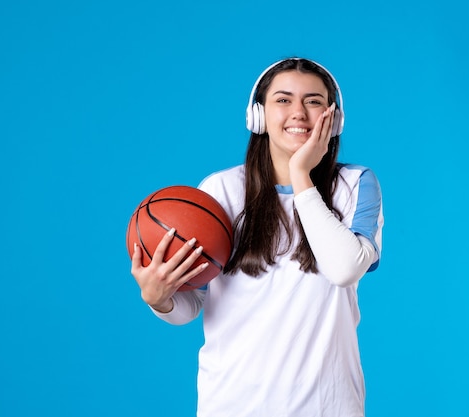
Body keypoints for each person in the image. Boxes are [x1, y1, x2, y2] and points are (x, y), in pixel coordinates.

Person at [130, 57, 383, 417]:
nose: (299, 112)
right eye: (283, 100)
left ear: (333, 118)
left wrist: (301, 174)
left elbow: (344, 269)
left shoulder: (355, 185)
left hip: (328, 407)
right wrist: (159, 298)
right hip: (232, 405)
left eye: (313, 101)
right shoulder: (221, 190)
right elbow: (192, 305)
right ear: (259, 116)